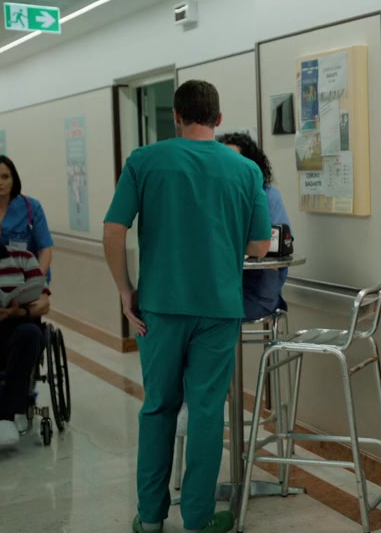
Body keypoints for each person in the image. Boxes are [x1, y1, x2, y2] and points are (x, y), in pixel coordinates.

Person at [103, 79, 271, 533]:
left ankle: (151, 519)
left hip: (158, 307)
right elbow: (259, 247)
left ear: (175, 116)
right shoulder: (245, 171)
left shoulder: (144, 161)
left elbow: (114, 230)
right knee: (206, 412)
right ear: (219, 118)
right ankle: (197, 519)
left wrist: (125, 290)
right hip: (218, 308)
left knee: (158, 407)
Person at [217, 133, 292, 321]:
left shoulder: (268, 196)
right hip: (219, 288)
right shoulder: (214, 197)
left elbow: (274, 245)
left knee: (210, 317)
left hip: (256, 291)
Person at [0, 208, 50, 447]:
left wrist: (18, 312)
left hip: (19, 327)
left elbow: (43, 302)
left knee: (30, 333)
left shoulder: (23, 258)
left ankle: (6, 417)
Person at [0, 155, 55, 278]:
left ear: (14, 179)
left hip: (28, 276)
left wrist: (36, 281)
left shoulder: (31, 207)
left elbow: (45, 249)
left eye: (5, 177)